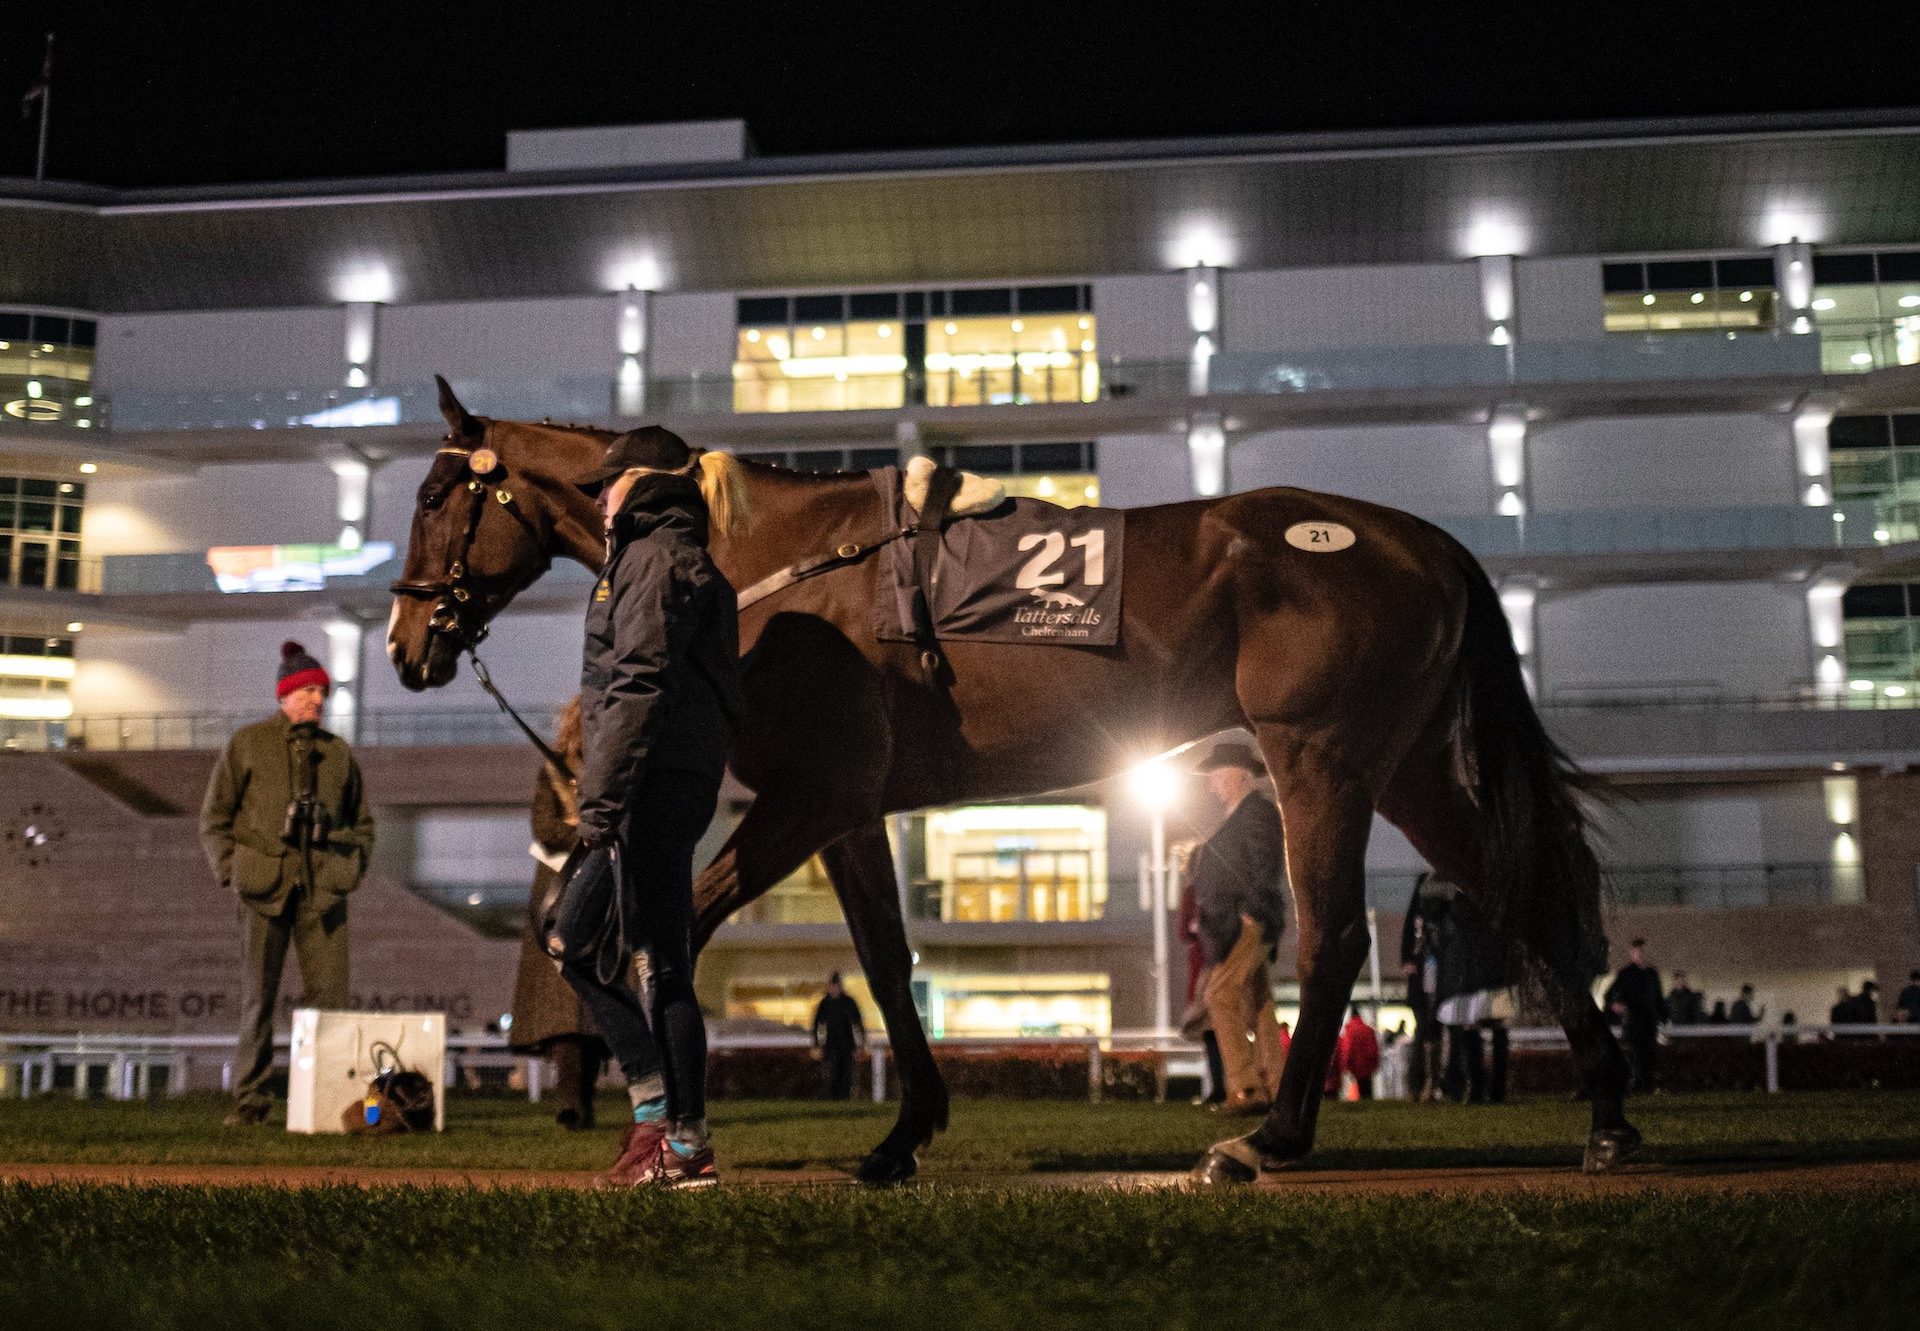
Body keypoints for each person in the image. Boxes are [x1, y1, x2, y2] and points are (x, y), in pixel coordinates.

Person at [559, 426, 744, 1188]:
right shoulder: (650, 554)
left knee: (641, 959)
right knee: (602, 950)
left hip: (650, 788)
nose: (597, 502)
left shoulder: (655, 557)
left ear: (639, 482)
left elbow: (637, 684)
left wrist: (599, 809)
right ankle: (662, 1119)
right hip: (655, 783)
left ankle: (680, 1137)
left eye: (603, 486)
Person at [199, 641, 375, 1127]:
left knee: (332, 1001)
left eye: (322, 692)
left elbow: (364, 824)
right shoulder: (248, 744)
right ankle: (250, 1102)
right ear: (284, 695)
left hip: (324, 892)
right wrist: (232, 869)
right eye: (307, 691)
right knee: (258, 999)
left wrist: (351, 867)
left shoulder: (339, 755)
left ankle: (331, 1100)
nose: (317, 700)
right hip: (263, 888)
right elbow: (214, 818)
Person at [507, 697, 611, 1130]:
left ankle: (580, 1099)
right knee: (565, 1015)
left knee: (593, 1012)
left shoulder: (613, 770)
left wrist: (579, 827)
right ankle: (570, 1102)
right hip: (556, 894)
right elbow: (545, 828)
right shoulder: (553, 769)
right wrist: (585, 832)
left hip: (602, 895)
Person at [1188, 741, 1289, 1115]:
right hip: (1239, 921)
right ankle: (1275, 1086)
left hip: (1246, 922)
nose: (1211, 783)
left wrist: (1250, 914)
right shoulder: (1242, 813)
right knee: (1258, 1004)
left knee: (1220, 995)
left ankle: (1246, 1088)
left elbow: (1266, 864)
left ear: (1238, 774)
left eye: (1216, 774)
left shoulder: (1256, 811)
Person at [1405, 874, 1511, 1104]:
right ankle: (1481, 1088)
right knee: (1475, 1028)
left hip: (1477, 970)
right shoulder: (1447, 898)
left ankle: (1484, 1088)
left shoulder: (1451, 900)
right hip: (1474, 970)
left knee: (1483, 1027)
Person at [1177, 865, 1228, 1105]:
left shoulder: (1193, 891)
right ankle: (1226, 1086)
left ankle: (1222, 1087)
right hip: (1221, 961)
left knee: (1212, 1031)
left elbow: (1183, 931)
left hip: (1207, 966)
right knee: (1221, 1029)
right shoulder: (1224, 887)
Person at [1604, 937, 1666, 1094]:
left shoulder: (1652, 973)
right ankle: (1639, 1083)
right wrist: (1616, 1005)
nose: (1639, 954)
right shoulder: (1626, 973)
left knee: (1649, 1052)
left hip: (1650, 1021)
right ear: (1632, 953)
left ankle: (1648, 1084)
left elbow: (1658, 997)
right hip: (1634, 1020)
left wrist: (1663, 1018)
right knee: (1636, 1053)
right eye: (1636, 951)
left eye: (1641, 951)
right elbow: (1610, 995)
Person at [810, 972, 867, 1100]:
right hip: (830, 1045)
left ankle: (843, 1100)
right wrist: (816, 1044)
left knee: (846, 1076)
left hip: (847, 1045)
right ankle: (833, 1100)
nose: (834, 988)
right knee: (832, 1076)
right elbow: (816, 1025)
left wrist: (861, 1044)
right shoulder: (825, 1003)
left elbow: (858, 1023)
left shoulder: (848, 1002)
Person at [1337, 1008, 1381, 1100]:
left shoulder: (1349, 1031)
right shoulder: (1368, 1029)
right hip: (1368, 1065)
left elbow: (1347, 1050)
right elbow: (1374, 1049)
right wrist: (1375, 1064)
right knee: (1367, 1089)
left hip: (1356, 1065)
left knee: (1360, 1088)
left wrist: (1345, 1065)